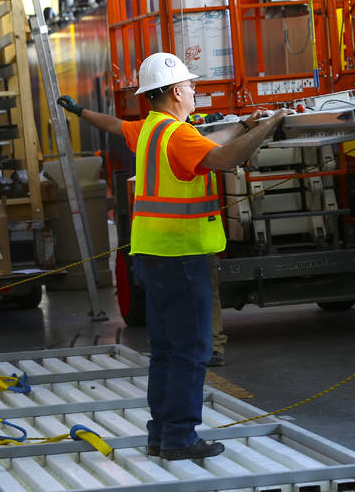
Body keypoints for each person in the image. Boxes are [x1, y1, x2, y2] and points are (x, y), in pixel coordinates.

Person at [58, 51, 289, 460]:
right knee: (192, 350)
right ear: (177, 90)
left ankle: (161, 433)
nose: (195, 91)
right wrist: (269, 126)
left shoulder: (149, 130)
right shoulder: (178, 135)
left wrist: (80, 112)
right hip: (182, 257)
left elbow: (114, 125)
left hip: (151, 255)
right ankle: (180, 439)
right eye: (192, 86)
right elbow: (226, 158)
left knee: (166, 350)